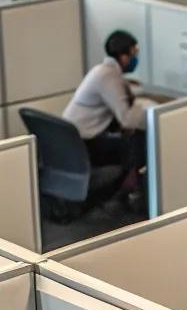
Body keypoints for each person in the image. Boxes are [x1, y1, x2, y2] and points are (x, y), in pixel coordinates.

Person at [60, 30, 148, 206]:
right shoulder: (109, 77)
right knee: (138, 143)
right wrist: (144, 108)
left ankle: (129, 190)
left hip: (71, 141)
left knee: (131, 141)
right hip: (84, 143)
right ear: (123, 57)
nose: (135, 58)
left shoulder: (101, 71)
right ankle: (129, 193)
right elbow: (127, 120)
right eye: (133, 54)